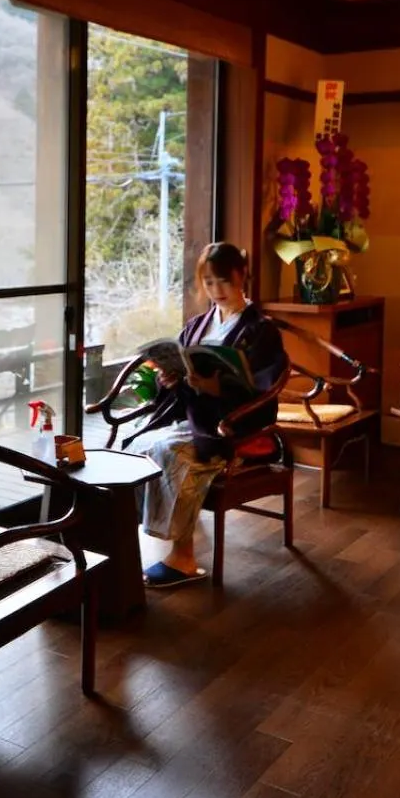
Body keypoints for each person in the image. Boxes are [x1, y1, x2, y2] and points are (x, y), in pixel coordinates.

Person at [128, 242, 287, 588]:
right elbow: (183, 373)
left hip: (233, 424)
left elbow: (263, 388)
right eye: (209, 282)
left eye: (224, 282)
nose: (217, 291)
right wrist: (169, 378)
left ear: (242, 276)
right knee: (142, 444)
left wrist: (218, 389)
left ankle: (183, 556)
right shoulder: (198, 325)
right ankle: (137, 544)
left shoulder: (261, 330)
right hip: (195, 414)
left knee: (175, 453)